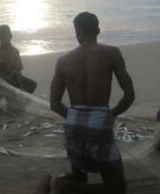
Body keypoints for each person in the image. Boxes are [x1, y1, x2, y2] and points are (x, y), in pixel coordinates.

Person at [46, 12, 135, 194]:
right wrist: (112, 113)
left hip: (73, 123)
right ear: (98, 30)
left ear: (77, 32)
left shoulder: (63, 60)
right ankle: (62, 187)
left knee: (80, 175)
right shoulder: (112, 53)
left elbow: (54, 104)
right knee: (117, 188)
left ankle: (58, 183)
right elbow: (129, 95)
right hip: (100, 122)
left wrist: (73, 115)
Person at [0, 25, 36, 93]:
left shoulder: (14, 52)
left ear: (10, 36)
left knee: (32, 84)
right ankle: (9, 97)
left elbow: (17, 72)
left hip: (9, 77)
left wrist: (20, 88)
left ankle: (14, 98)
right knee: (8, 81)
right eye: (0, 36)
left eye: (4, 35)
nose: (2, 38)